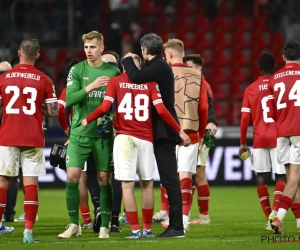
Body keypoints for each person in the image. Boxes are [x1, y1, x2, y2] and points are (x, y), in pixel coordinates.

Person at [81, 55, 190, 238]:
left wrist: (87, 119)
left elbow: (105, 106)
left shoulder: (115, 81)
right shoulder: (150, 84)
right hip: (146, 139)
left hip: (124, 138)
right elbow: (162, 110)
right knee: (147, 185)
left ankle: (134, 230)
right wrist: (179, 130)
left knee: (127, 186)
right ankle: (147, 229)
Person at [58, 31, 120, 239]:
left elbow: (119, 102)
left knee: (104, 179)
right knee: (72, 176)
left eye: (92, 47)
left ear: (102, 48)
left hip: (102, 135)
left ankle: (104, 226)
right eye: (86, 47)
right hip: (79, 133)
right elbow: (70, 99)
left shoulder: (113, 72)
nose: (89, 51)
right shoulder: (77, 70)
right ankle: (74, 224)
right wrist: (92, 86)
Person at [122, 33, 185, 237]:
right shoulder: (158, 66)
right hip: (158, 131)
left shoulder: (159, 66)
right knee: (167, 180)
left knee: (169, 180)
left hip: (164, 132)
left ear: (145, 50)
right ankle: (175, 225)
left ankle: (176, 227)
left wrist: (126, 60)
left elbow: (136, 77)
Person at [0, 38, 58, 242]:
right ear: (38, 55)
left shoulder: (4, 78)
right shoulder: (44, 80)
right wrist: (39, 106)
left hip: (8, 135)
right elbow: (53, 112)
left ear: (18, 52)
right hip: (33, 136)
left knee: (3, 182)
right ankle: (28, 233)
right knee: (31, 184)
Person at [159, 39, 208, 231]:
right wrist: (202, 132)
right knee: (186, 175)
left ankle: (173, 218)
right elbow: (203, 107)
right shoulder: (198, 75)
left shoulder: (163, 74)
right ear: (182, 52)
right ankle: (184, 220)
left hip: (167, 133)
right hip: (192, 132)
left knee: (170, 176)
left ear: (169, 54)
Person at [239, 52, 286, 230]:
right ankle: (275, 213)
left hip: (259, 138)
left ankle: (268, 218)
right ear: (275, 68)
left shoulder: (250, 89)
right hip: (279, 137)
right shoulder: (279, 85)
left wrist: (243, 142)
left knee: (261, 178)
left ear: (259, 68)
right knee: (281, 176)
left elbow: (244, 119)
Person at [57, 58, 100, 230]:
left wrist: (66, 129)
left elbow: (60, 109)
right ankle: (106, 214)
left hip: (79, 136)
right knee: (102, 177)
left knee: (79, 179)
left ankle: (87, 220)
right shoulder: (96, 87)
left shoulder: (70, 89)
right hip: (98, 135)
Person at [269, 43, 300, 234]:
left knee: (291, 179)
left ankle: (299, 223)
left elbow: (272, 112)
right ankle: (278, 218)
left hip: (282, 132)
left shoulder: (274, 78)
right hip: (298, 130)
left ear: (283, 57)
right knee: (295, 179)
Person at [183, 54, 217, 225]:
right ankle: (187, 215)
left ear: (198, 68)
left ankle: (203, 216)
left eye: (189, 66)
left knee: (197, 174)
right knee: (189, 173)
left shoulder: (202, 82)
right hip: (192, 131)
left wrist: (211, 122)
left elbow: (208, 105)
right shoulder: (191, 82)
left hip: (201, 132)